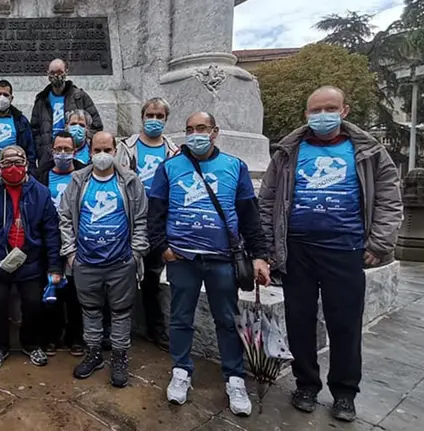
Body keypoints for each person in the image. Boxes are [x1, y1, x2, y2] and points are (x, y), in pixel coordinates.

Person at [258, 86, 402, 422]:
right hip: (297, 250)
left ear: (345, 110)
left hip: (346, 248)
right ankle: (306, 384)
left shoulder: (368, 151)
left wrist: (379, 243)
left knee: (345, 325)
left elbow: (389, 199)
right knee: (300, 322)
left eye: (330, 108)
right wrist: (268, 248)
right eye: (316, 110)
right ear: (306, 114)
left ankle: (344, 393)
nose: (323, 115)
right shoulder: (288, 152)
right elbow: (267, 201)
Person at [148, 112, 270, 415]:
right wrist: (162, 247)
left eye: (201, 128)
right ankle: (181, 371)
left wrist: (260, 255)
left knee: (227, 320)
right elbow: (156, 212)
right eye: (189, 129)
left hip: (222, 260)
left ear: (214, 132)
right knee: (180, 318)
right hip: (182, 258)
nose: (195, 134)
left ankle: (234, 378)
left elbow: (249, 215)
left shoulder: (234, 166)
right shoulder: (169, 167)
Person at [58, 131, 149, 388]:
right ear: (88, 151)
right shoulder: (78, 180)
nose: (102, 155)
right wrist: (71, 253)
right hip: (86, 262)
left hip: (121, 262)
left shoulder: (130, 181)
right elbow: (65, 217)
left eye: (107, 150)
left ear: (115, 150)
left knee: (120, 312)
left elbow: (141, 219)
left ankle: (120, 357)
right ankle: (94, 353)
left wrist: (135, 254)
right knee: (90, 310)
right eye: (97, 150)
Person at [0, 146, 62, 371]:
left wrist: (54, 266)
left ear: (27, 165)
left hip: (30, 261)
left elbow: (51, 231)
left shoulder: (40, 192)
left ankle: (31, 343)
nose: (13, 168)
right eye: (7, 164)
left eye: (18, 163)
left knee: (32, 303)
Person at [116, 97, 178, 352]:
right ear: (142, 117)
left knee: (152, 276)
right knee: (124, 274)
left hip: (159, 219)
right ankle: (121, 329)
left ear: (165, 119)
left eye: (159, 116)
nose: (154, 120)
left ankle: (155, 329)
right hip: (131, 216)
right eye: (150, 115)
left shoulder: (173, 151)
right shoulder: (128, 147)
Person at [35, 131, 88, 357]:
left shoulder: (84, 175)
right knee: (50, 292)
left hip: (76, 242)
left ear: (74, 151)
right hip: (48, 242)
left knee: (75, 294)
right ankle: (51, 336)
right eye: (59, 149)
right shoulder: (41, 176)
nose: (63, 154)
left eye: (67, 149)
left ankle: (75, 336)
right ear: (52, 150)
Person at [31, 58, 103, 168]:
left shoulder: (79, 96)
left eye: (59, 72)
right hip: (48, 156)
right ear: (47, 74)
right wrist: (42, 149)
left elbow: (97, 125)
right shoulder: (41, 99)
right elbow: (34, 130)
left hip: (76, 154)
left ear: (66, 72)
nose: (56, 76)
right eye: (53, 73)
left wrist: (82, 139)